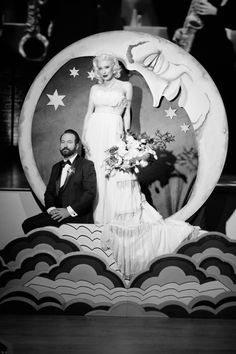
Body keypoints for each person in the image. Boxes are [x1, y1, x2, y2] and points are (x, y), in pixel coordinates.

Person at [82, 53, 201, 279]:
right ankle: (99, 225)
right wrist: (85, 139)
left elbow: (127, 115)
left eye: (108, 67)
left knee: (114, 177)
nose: (104, 71)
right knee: (96, 176)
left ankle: (116, 226)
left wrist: (124, 141)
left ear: (113, 68)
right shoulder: (94, 90)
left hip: (113, 130)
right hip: (95, 133)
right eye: (101, 68)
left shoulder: (126, 86)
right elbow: (88, 114)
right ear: (97, 70)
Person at [165, 0, 236, 174]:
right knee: (191, 111)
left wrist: (217, 12)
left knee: (220, 112)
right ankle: (192, 162)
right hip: (190, 59)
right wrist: (178, 32)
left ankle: (223, 163)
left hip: (218, 62)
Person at [22, 129, 97, 234]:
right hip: (57, 215)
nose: (65, 145)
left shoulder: (86, 165)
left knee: (31, 225)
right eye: (63, 142)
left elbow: (89, 194)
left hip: (77, 216)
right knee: (27, 224)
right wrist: (51, 209)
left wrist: (68, 211)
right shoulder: (56, 167)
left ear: (77, 146)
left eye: (69, 142)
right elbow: (49, 193)